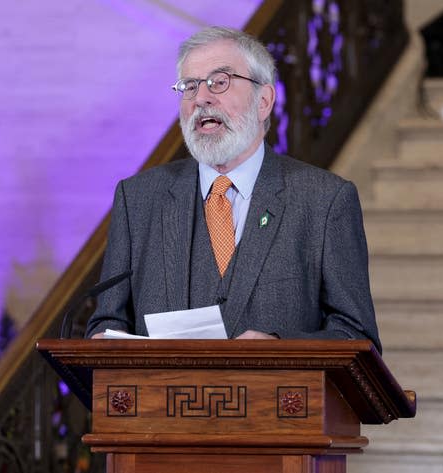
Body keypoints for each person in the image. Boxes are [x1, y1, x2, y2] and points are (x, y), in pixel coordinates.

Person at [85, 26, 381, 352]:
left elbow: (357, 337)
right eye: (190, 86)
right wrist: (103, 337)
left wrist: (281, 349)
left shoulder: (323, 200)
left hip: (278, 400)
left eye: (219, 82)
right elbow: (107, 321)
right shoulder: (138, 199)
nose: (201, 98)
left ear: (264, 100)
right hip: (162, 400)